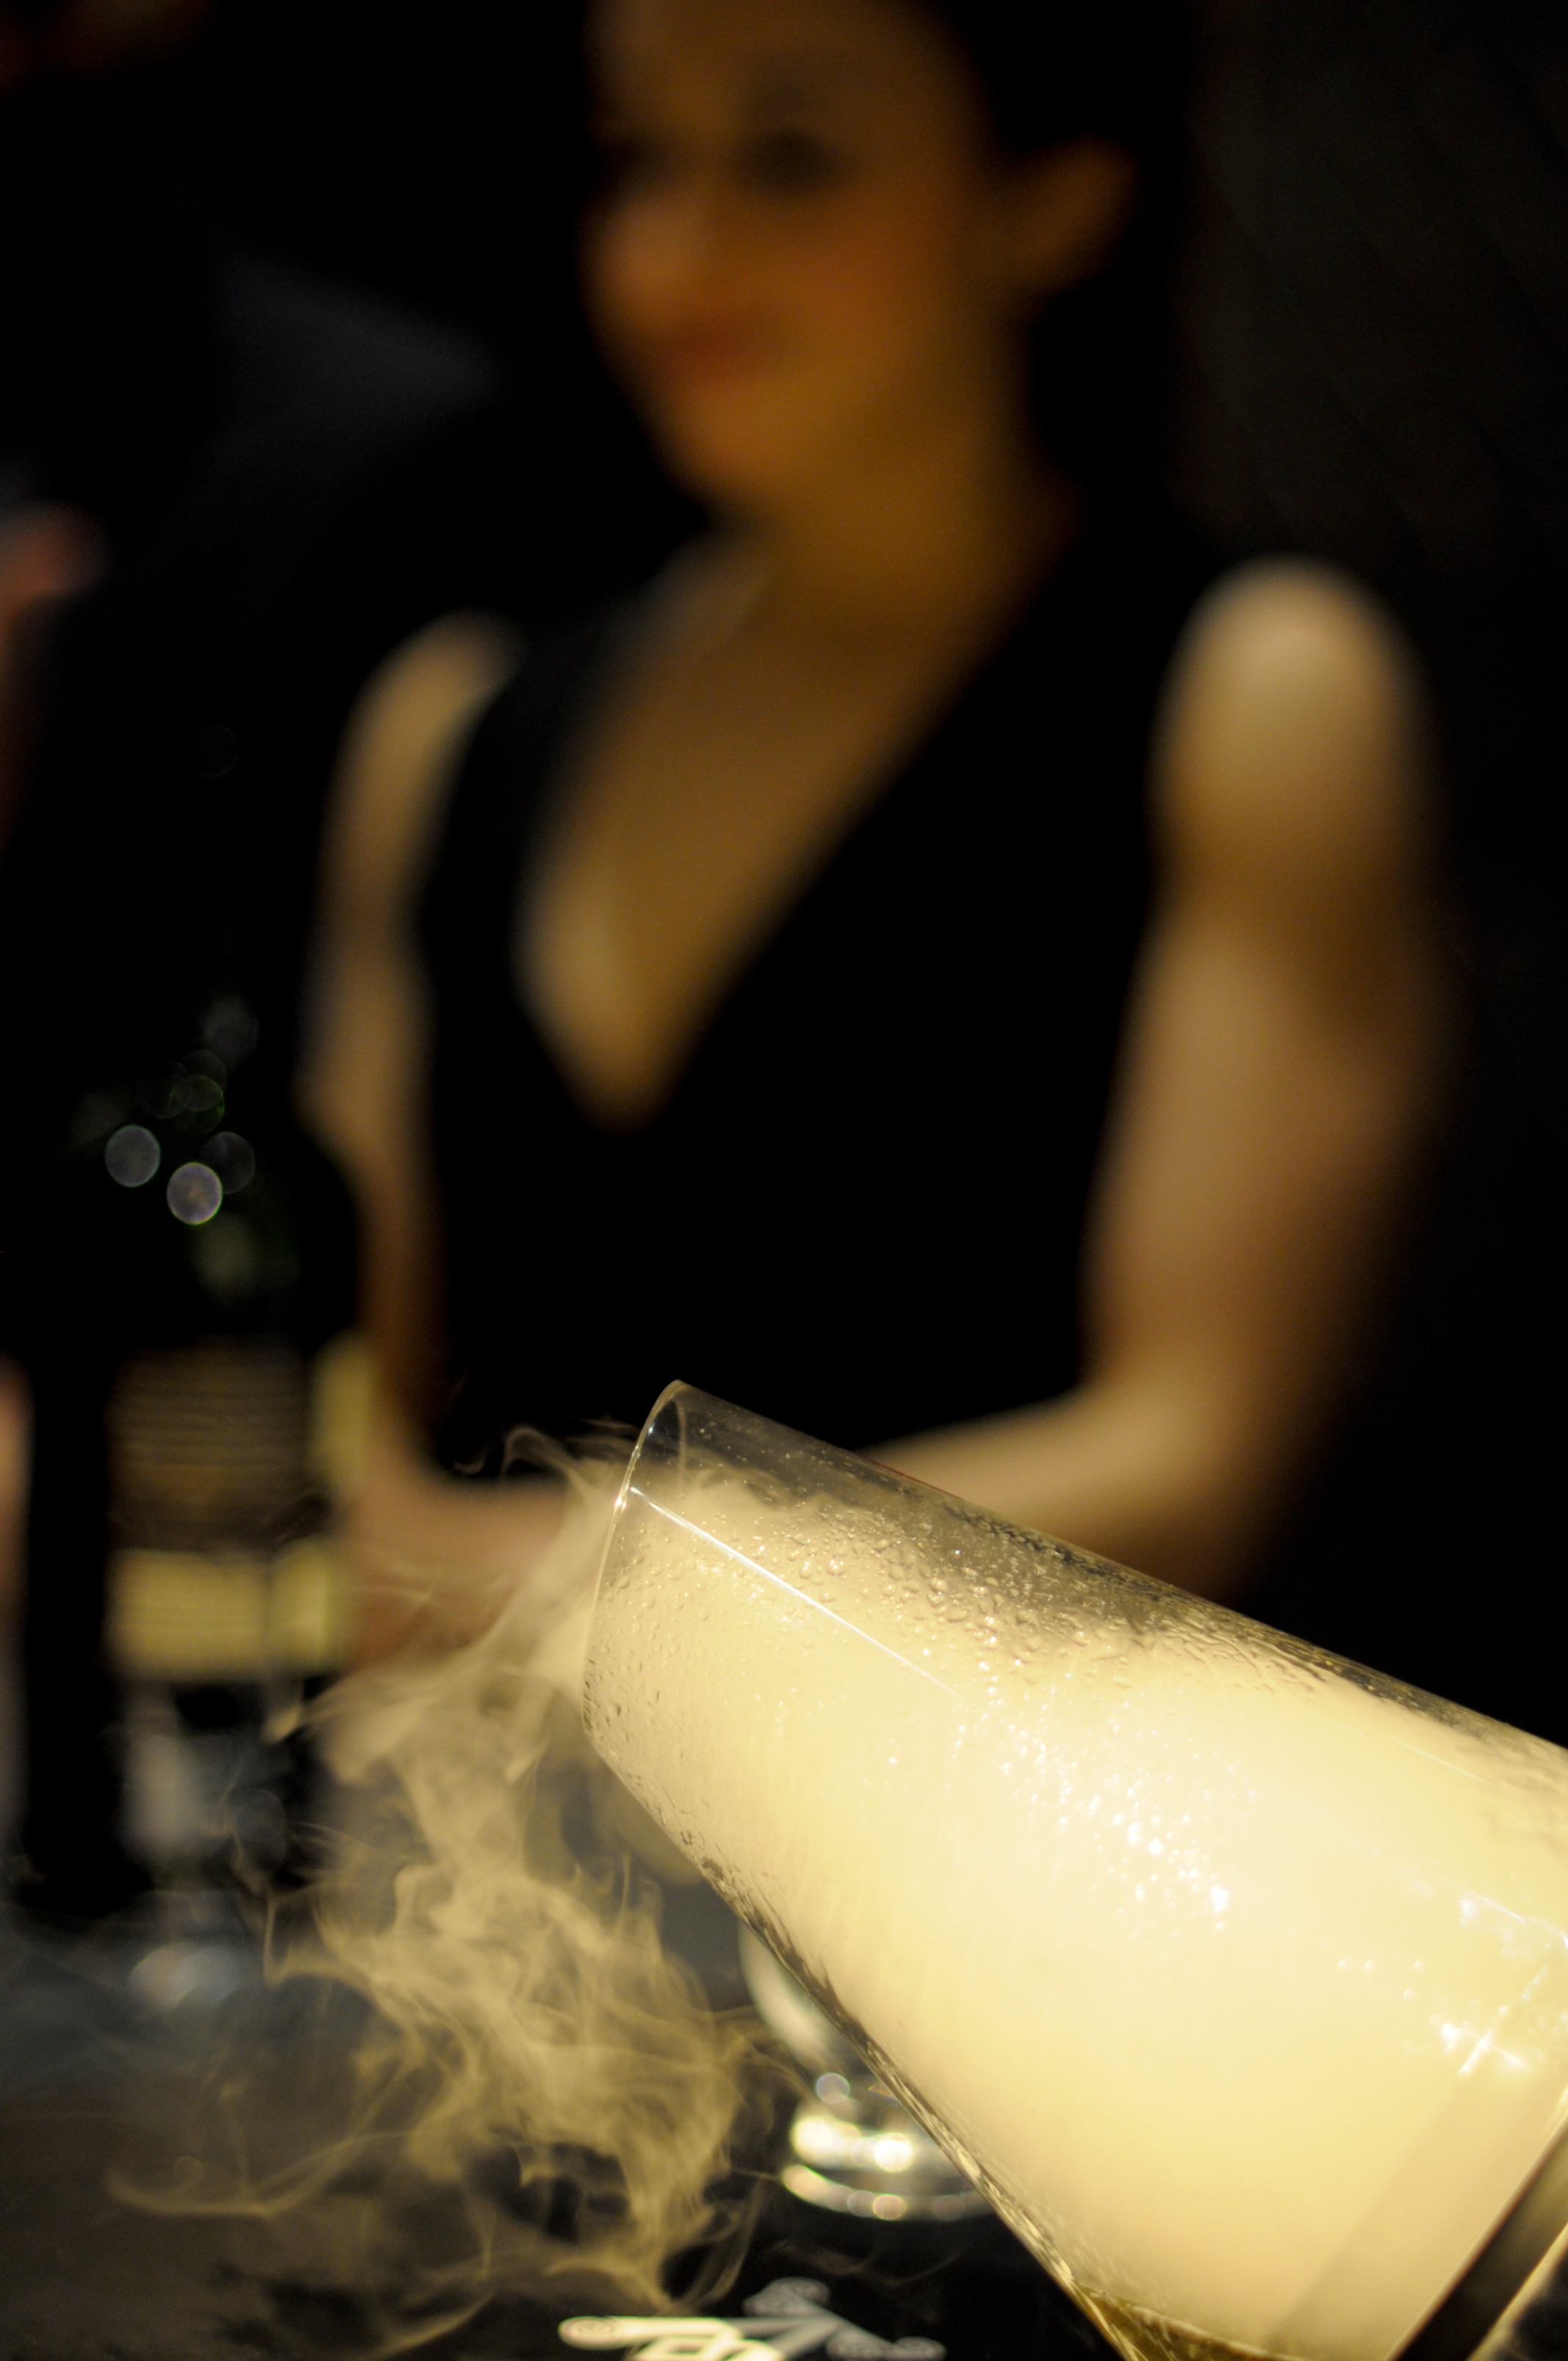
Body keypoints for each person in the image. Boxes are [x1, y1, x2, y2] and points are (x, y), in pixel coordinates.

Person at [302, 0, 1437, 1651]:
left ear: (1055, 193)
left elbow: (1187, 1453)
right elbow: (330, 1386)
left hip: (979, 1788)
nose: (676, 254)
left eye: (792, 157)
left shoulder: (1246, 695)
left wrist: (551, 1576)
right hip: (447, 1796)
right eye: (635, 162)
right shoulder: (451, 724)